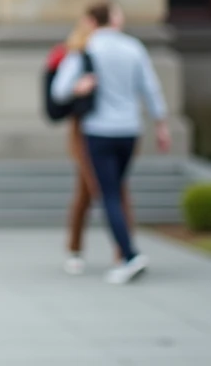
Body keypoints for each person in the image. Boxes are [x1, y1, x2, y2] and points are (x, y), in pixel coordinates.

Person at [50, 0, 170, 284]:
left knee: (110, 195)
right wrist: (161, 124)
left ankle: (128, 255)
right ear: (112, 19)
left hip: (99, 130)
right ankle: (119, 252)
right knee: (116, 190)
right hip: (130, 130)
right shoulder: (133, 47)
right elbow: (150, 89)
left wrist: (80, 88)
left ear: (93, 20)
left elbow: (59, 91)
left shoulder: (85, 50)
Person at [49, 17, 135, 276]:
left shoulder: (117, 53)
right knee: (104, 189)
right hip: (84, 129)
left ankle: (110, 250)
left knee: (93, 191)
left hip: (110, 129)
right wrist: (78, 88)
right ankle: (124, 252)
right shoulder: (74, 56)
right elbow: (57, 95)